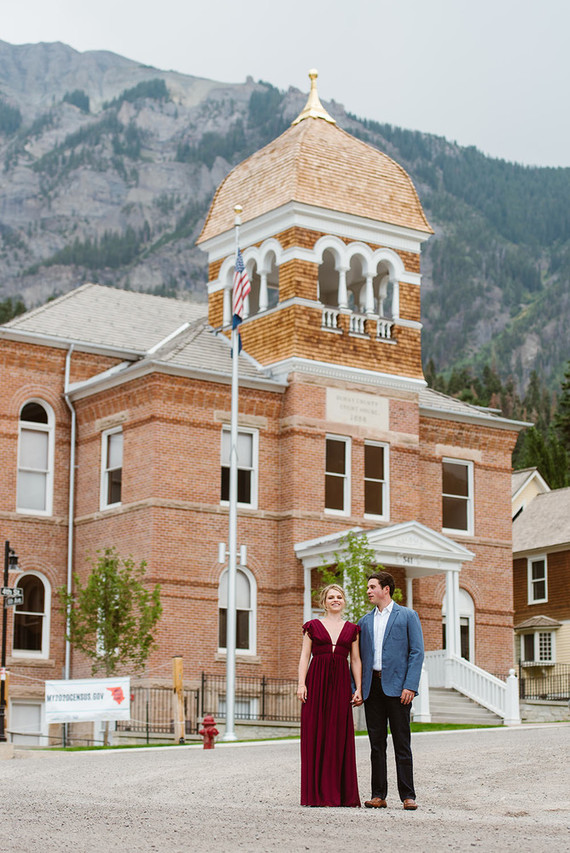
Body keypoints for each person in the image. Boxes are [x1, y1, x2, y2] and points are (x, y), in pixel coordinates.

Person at [358, 570, 424, 811]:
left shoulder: (407, 616)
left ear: (386, 589)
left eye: (372, 587)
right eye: (368, 587)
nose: (368, 591)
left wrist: (410, 685)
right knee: (376, 744)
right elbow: (357, 658)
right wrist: (357, 689)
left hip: (399, 689)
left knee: (402, 743)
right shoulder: (364, 621)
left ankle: (408, 795)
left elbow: (417, 652)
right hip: (372, 689)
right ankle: (378, 795)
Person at [297, 583, 363, 807]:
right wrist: (301, 684)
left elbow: (355, 660)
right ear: (324, 602)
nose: (336, 600)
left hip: (341, 684)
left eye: (339, 597)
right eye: (331, 597)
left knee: (338, 734)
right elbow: (305, 657)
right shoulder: (313, 626)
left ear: (344, 601)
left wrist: (359, 688)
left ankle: (340, 794)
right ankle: (316, 794)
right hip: (316, 682)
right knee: (316, 732)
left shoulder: (353, 629)